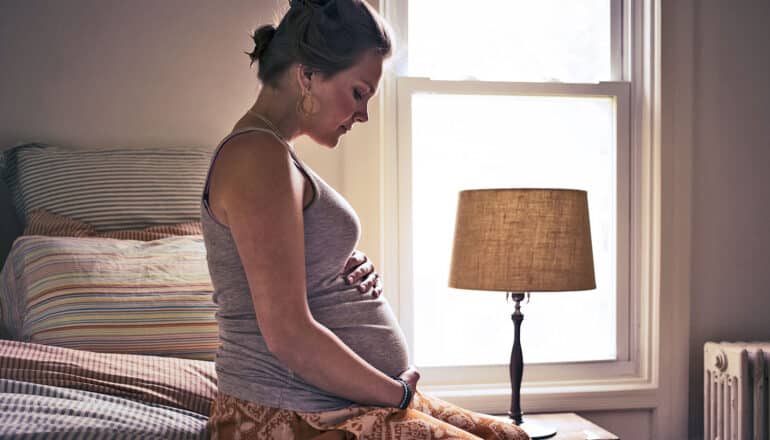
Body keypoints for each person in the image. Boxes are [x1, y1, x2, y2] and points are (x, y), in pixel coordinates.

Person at [201, 1, 529, 438]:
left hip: (331, 404)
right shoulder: (256, 155)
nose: (363, 114)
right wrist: (399, 395)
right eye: (358, 93)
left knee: (512, 435)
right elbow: (288, 334)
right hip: (283, 414)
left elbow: (288, 274)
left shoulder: (273, 154)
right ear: (308, 75)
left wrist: (338, 265)